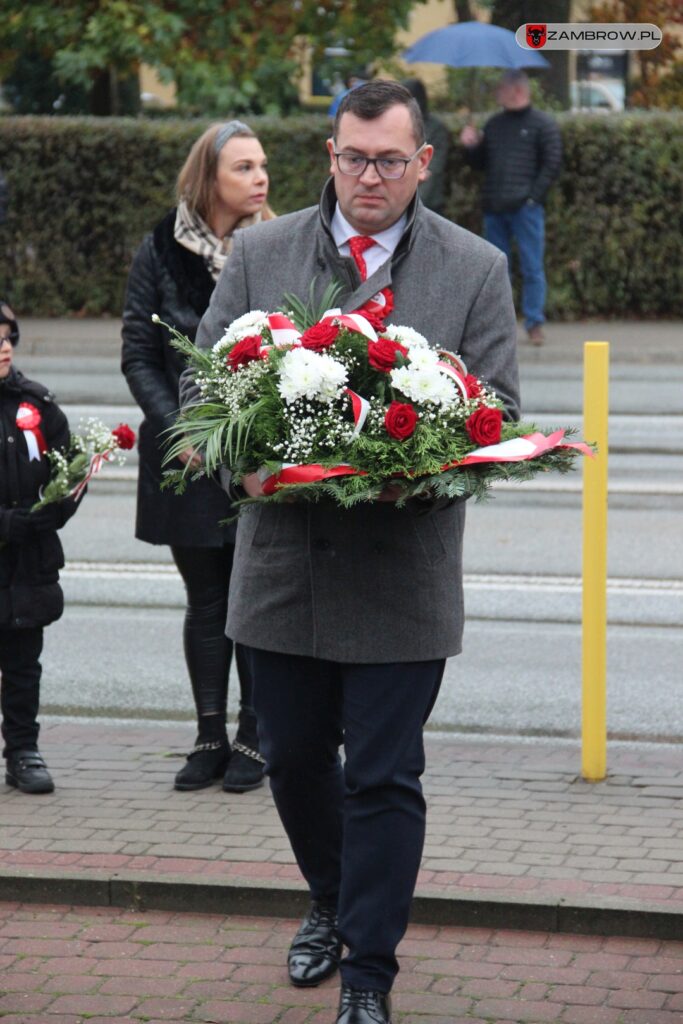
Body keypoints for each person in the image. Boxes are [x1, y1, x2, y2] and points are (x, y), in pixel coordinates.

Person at [184, 81, 519, 1024]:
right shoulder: (261, 250)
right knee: (290, 759)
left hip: (401, 579)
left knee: (382, 773)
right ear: (328, 154)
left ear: (422, 162)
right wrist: (239, 469)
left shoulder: (475, 266)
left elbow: (502, 414)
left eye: (387, 160)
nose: (367, 177)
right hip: (282, 568)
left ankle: (369, 970)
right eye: (350, 156)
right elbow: (203, 396)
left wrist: (424, 465)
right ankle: (329, 901)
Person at [121, 121, 274, 794]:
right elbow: (138, 353)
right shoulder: (159, 249)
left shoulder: (280, 244)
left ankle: (255, 737)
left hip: (259, 455)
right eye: (243, 167)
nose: (260, 177)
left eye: (262, 165)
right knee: (207, 599)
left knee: (257, 601)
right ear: (208, 178)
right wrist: (182, 428)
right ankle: (209, 735)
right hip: (184, 456)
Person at [0, 302, 80, 794]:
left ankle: (23, 751)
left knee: (23, 666)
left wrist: (56, 508)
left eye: (8, 336)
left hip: (27, 566)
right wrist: (10, 522)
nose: (4, 345)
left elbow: (69, 466)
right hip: (16, 540)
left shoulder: (37, 403)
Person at [460, 69, 562, 346]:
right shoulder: (493, 125)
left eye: (501, 88)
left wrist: (533, 198)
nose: (497, 93)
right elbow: (480, 163)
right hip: (495, 207)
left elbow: (552, 164)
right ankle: (500, 324)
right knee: (496, 270)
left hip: (525, 210)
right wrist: (471, 147)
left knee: (532, 268)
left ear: (516, 90)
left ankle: (534, 323)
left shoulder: (542, 124)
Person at [402, 78, 451, 215]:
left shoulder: (436, 128)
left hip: (428, 202)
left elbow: (435, 167)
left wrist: (416, 201)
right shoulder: (398, 126)